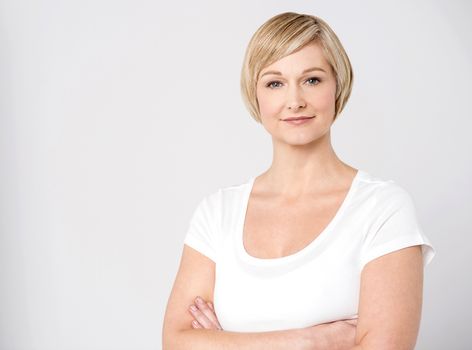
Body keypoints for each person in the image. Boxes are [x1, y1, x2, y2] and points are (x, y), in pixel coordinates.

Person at [162, 11, 435, 350]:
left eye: (312, 79)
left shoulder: (383, 209)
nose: (295, 101)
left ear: (338, 85)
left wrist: (226, 344)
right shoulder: (218, 212)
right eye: (275, 83)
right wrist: (311, 340)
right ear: (256, 95)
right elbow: (176, 342)